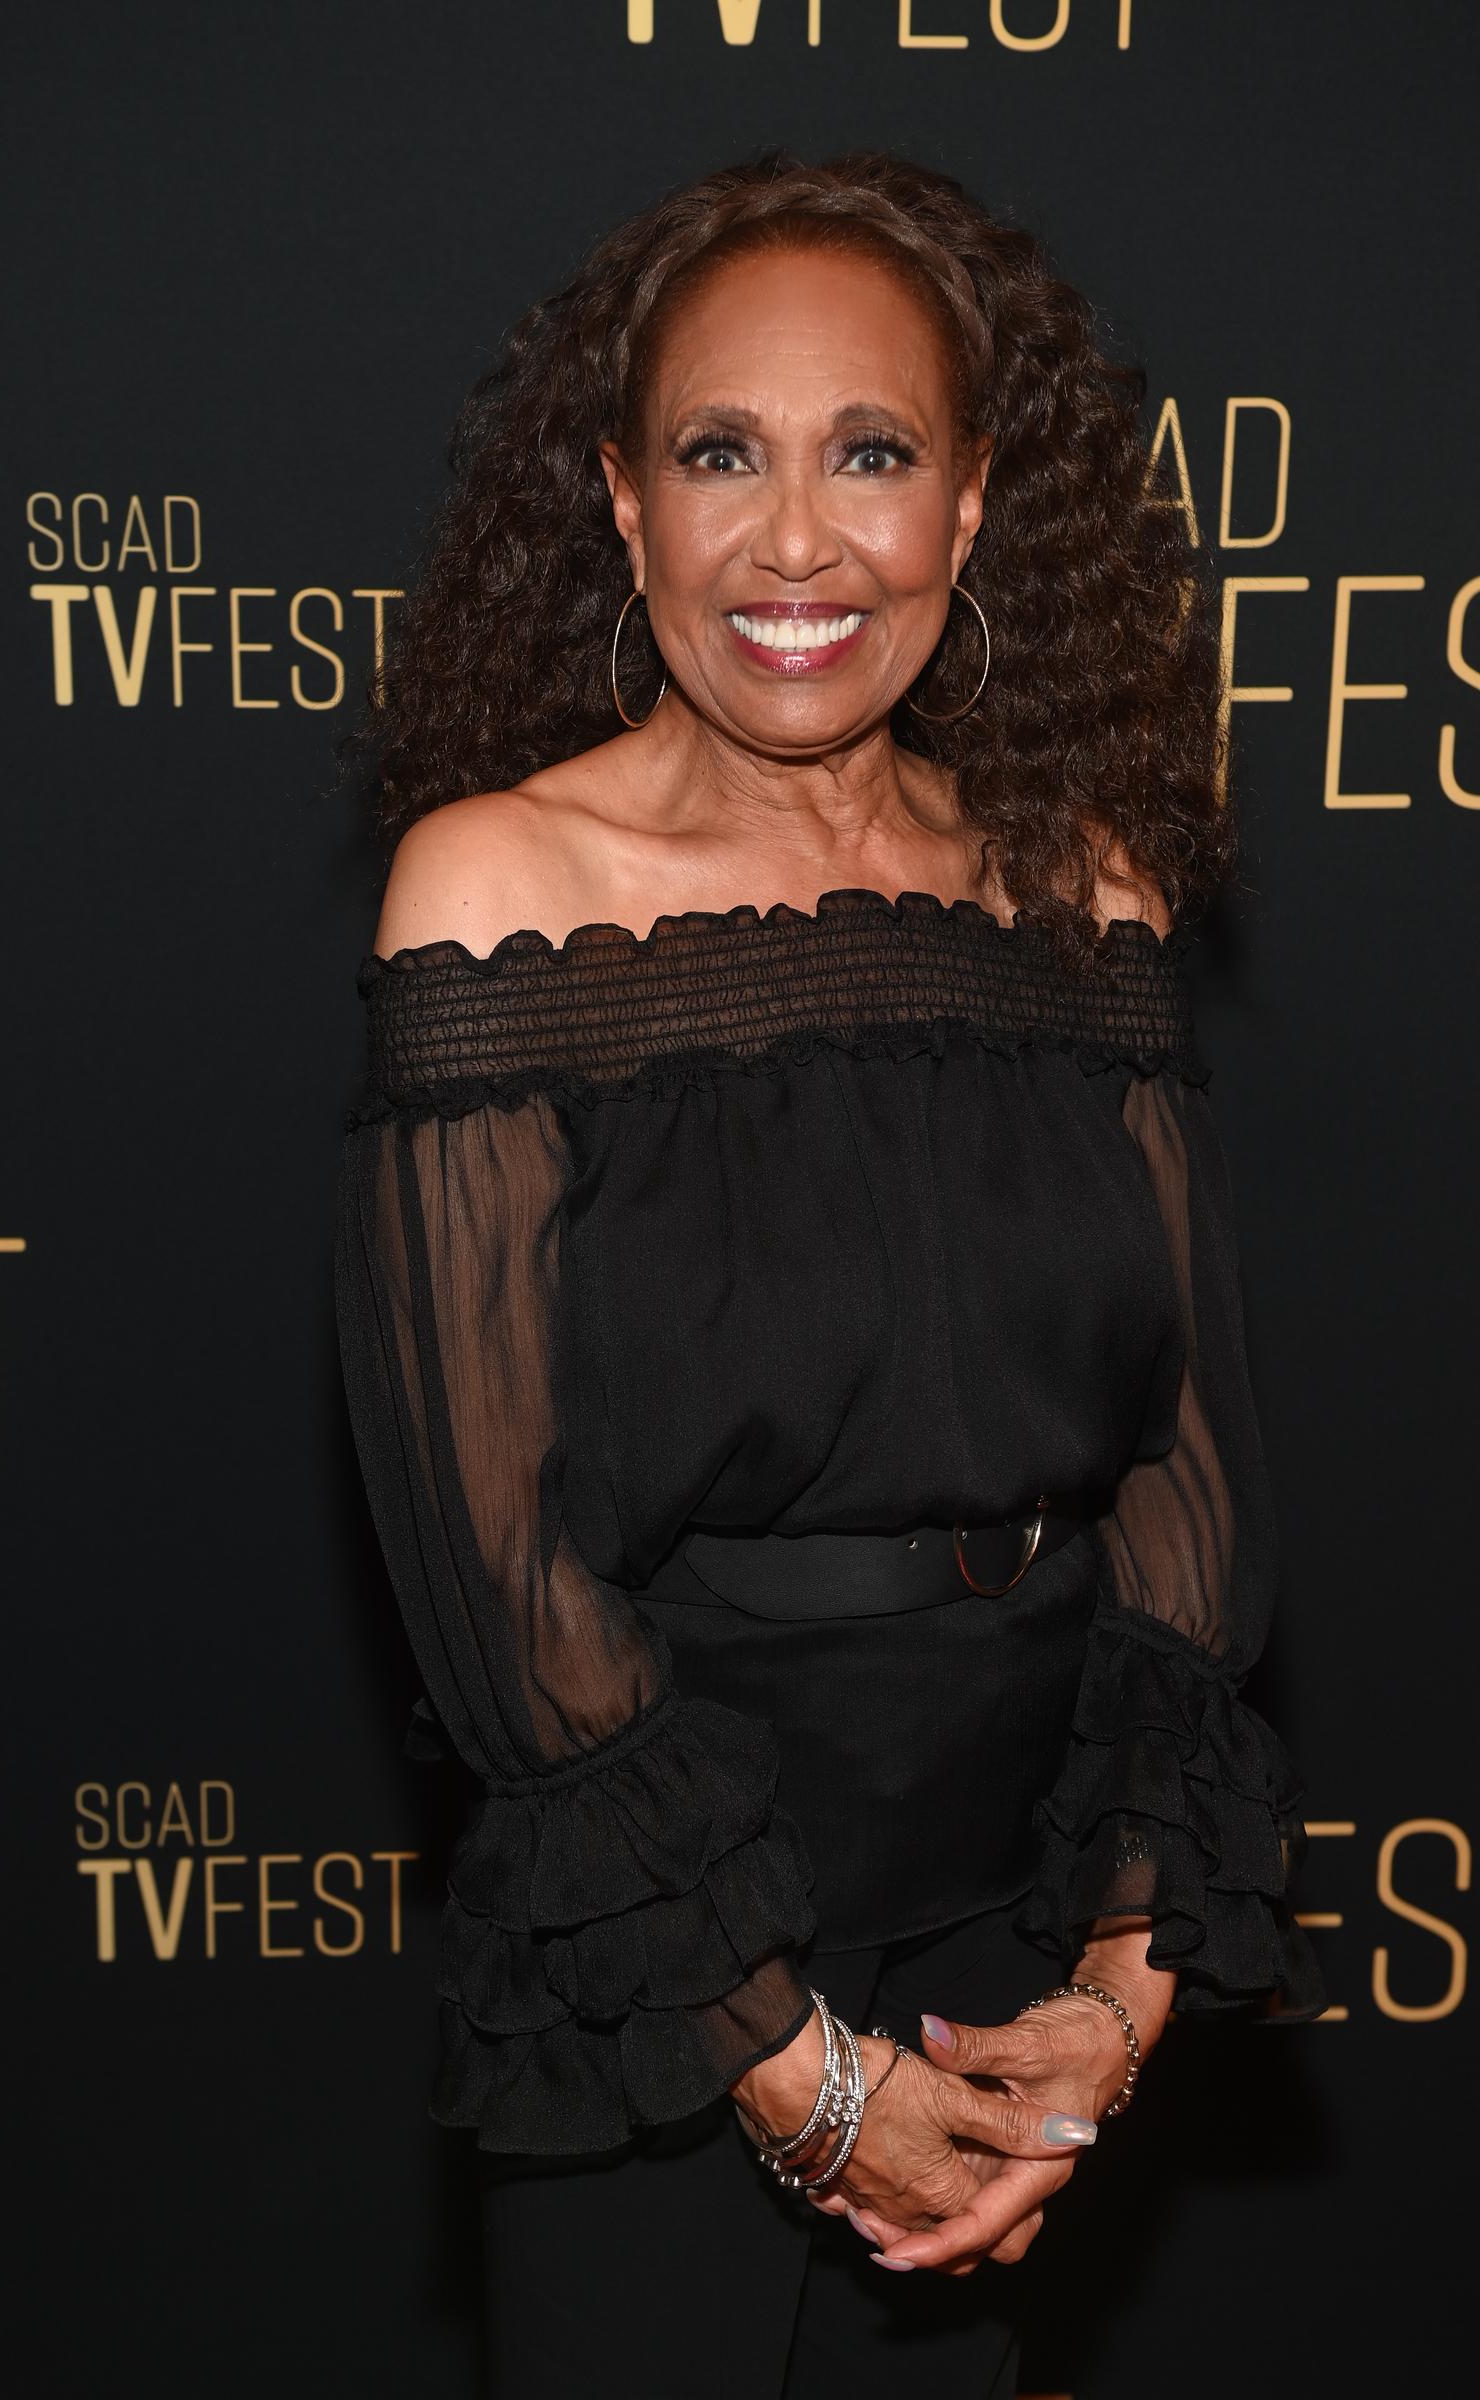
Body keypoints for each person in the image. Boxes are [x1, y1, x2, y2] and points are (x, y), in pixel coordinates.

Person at [333, 148, 1324, 2399]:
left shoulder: (1085, 892)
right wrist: (793, 2069)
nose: (796, 541)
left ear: (968, 507)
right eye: (721, 455)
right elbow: (495, 1579)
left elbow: (1188, 1480)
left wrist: (1117, 1985)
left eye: (869, 454)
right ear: (622, 505)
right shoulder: (497, 892)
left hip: (1022, 1904)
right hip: (670, 1951)